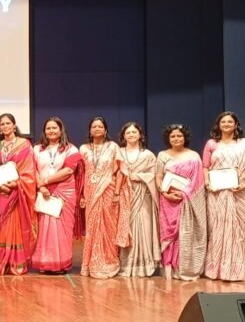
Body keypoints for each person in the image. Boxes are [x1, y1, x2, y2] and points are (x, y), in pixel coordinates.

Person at [202, 111, 245, 282]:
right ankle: (216, 270)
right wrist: (207, 183)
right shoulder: (212, 144)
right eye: (223, 122)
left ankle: (237, 269)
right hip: (216, 192)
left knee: (239, 232)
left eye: (230, 122)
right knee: (218, 229)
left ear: (236, 125)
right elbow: (205, 166)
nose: (226, 124)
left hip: (240, 192)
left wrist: (244, 184)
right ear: (218, 125)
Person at [31, 117, 84, 274]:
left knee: (61, 229)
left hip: (64, 192)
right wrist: (41, 186)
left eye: (55, 128)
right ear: (44, 131)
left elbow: (68, 171)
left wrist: (46, 181)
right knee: (44, 228)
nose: (51, 131)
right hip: (43, 191)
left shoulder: (72, 149)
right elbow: (32, 169)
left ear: (61, 130)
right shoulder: (37, 149)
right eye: (48, 128)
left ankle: (61, 264)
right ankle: (44, 263)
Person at [79, 116, 129, 278]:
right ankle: (91, 264)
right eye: (94, 126)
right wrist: (81, 194)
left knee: (109, 227)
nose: (97, 129)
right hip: (90, 192)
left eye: (100, 126)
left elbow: (121, 170)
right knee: (93, 227)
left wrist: (116, 193)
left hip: (108, 190)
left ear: (105, 130)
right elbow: (80, 174)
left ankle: (109, 262)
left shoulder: (113, 147)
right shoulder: (84, 149)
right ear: (90, 130)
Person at [156, 124, 206, 281]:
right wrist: (164, 192)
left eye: (179, 136)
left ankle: (182, 268)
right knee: (168, 234)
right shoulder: (162, 155)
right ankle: (168, 268)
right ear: (168, 139)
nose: (176, 139)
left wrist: (184, 193)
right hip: (168, 200)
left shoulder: (194, 156)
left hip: (187, 201)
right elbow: (158, 176)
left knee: (184, 233)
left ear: (185, 138)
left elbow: (198, 181)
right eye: (173, 136)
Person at [0, 113, 37, 276]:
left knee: (18, 223)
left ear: (14, 125)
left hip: (19, 190)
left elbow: (29, 169)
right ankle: (5, 260)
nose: (5, 126)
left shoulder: (24, 144)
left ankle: (18, 261)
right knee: (5, 224)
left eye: (8, 123)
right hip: (3, 190)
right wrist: (1, 185)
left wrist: (16, 184)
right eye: (2, 124)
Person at [117, 122, 160, 277]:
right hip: (124, 193)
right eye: (128, 133)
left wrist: (139, 176)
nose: (131, 135)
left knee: (143, 226)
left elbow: (154, 174)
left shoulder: (147, 155)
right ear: (123, 136)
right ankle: (127, 264)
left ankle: (144, 264)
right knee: (125, 226)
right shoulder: (119, 152)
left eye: (134, 132)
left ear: (140, 135)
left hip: (143, 194)